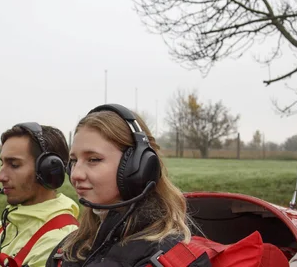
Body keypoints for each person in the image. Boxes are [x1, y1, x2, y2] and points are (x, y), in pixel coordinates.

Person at [45, 104, 194, 267]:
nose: (75, 174)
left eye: (93, 159)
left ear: (139, 166)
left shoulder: (164, 258)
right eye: (73, 161)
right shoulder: (67, 248)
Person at [0, 122, 80, 267]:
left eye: (14, 165)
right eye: (2, 164)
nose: (0, 177)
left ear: (49, 170)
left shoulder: (60, 243)